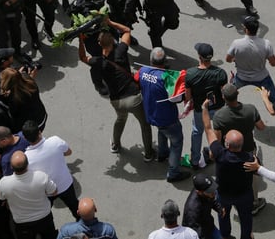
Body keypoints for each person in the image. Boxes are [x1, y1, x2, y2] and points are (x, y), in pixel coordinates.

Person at [78, 17, 154, 161]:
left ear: (99, 44)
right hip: (134, 98)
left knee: (120, 119)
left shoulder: (97, 61)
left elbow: (82, 57)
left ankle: (115, 145)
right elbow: (126, 30)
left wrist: (81, 39)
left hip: (116, 100)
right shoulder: (121, 50)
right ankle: (149, 154)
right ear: (113, 40)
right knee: (144, 125)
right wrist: (110, 22)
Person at [201, 98, 256, 239]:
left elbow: (208, 129)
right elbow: (258, 170)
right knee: (246, 218)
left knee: (223, 215)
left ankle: (225, 235)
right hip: (244, 195)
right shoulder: (249, 158)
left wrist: (204, 109)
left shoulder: (220, 154)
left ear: (227, 145)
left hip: (224, 195)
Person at [211, 84, 266, 214]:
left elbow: (217, 140)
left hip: (229, 153)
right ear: (238, 94)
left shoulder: (219, 116)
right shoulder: (251, 109)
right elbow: (261, 127)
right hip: (248, 149)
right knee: (252, 178)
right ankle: (253, 203)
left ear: (224, 97)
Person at [138, 48, 190, 183]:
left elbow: (137, 80)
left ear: (151, 60)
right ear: (165, 61)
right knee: (176, 142)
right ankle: (173, 173)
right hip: (167, 116)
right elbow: (176, 99)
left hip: (151, 113)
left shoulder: (142, 71)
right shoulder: (167, 77)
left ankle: (162, 154)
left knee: (162, 131)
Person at [183, 43, 228, 171]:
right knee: (219, 131)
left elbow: (187, 97)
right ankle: (217, 154)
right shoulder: (220, 73)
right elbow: (224, 93)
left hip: (200, 110)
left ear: (199, 56)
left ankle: (195, 161)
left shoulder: (191, 73)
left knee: (197, 132)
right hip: (218, 108)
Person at [22, 121, 78, 219]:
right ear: (39, 132)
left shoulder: (26, 157)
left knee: (45, 213)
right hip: (66, 184)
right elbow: (69, 152)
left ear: (25, 138)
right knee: (75, 207)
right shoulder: (55, 141)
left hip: (47, 191)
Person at [0, 151, 58, 239]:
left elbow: (2, 197)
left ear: (11, 167)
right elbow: (54, 191)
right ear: (27, 164)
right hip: (44, 217)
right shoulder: (41, 176)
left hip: (22, 222)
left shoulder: (4, 183)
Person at [225, 15, 275, 101]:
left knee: (229, 99)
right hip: (262, 78)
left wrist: (235, 59)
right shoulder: (266, 44)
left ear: (246, 29)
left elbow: (228, 59)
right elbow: (274, 63)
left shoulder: (236, 44)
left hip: (241, 79)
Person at [0, 67, 48, 132]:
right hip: (41, 115)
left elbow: (13, 113)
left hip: (30, 126)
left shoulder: (13, 98)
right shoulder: (30, 81)